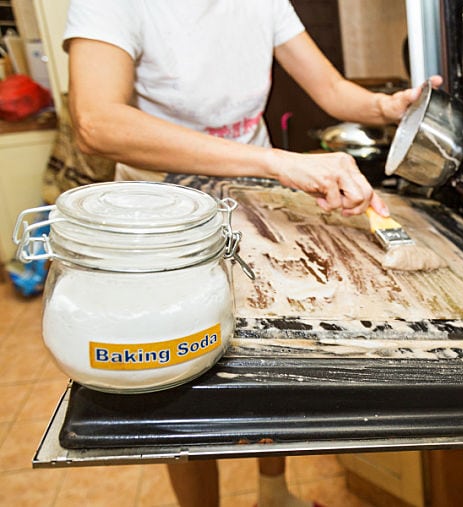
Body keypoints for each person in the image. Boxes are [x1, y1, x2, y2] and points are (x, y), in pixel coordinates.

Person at [62, 1, 442, 506]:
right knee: (181, 378)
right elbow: (97, 123)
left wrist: (386, 108)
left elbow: (329, 89)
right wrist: (275, 161)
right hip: (162, 218)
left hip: (249, 193)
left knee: (265, 354)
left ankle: (273, 493)